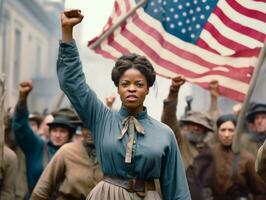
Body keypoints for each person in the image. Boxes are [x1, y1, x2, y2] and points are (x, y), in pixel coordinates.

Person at [57, 9, 190, 200]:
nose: (132, 89)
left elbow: (177, 189)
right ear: (118, 88)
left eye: (139, 84)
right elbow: (73, 84)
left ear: (147, 89)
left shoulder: (164, 134)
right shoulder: (101, 118)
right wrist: (67, 33)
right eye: (125, 84)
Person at [12, 80, 76, 198]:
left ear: (69, 134)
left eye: (62, 131)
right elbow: (20, 127)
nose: (57, 135)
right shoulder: (37, 146)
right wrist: (22, 99)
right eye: (55, 130)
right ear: (49, 131)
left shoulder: (75, 154)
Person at [161, 76, 214, 200]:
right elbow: (168, 118)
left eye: (200, 126)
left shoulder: (209, 150)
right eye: (193, 124)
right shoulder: (179, 140)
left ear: (205, 130)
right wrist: (174, 91)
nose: (195, 128)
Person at [31, 121, 103, 200]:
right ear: (82, 129)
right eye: (86, 127)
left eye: (96, 127)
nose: (90, 131)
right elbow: (42, 189)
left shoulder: (110, 155)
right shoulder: (67, 151)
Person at [212, 114, 266, 200]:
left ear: (236, 132)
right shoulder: (209, 154)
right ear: (218, 131)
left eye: (231, 130)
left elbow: (260, 192)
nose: (226, 134)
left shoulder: (247, 159)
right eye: (223, 130)